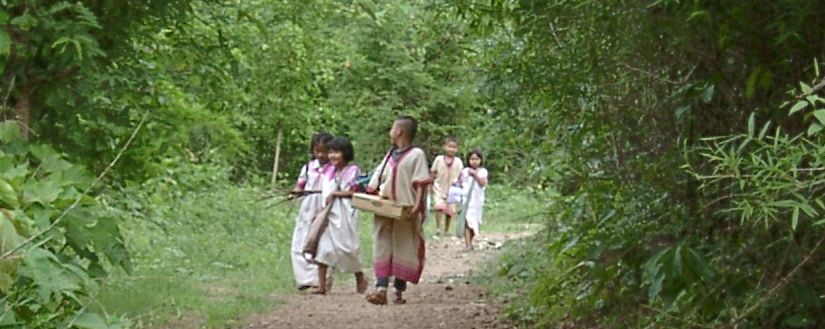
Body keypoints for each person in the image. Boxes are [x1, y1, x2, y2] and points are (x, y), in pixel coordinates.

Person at [365, 116, 432, 305]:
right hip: (385, 207)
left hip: (406, 209)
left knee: (404, 245)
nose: (390, 133)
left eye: (392, 129)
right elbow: (377, 178)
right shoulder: (389, 155)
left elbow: (420, 184)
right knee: (382, 243)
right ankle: (381, 289)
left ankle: (398, 291)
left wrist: (417, 207)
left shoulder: (416, 154)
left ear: (399, 132)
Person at [311, 137, 368, 295]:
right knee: (324, 248)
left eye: (336, 152)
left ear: (345, 153)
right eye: (331, 152)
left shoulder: (353, 170)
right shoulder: (328, 170)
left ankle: (360, 277)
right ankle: (322, 286)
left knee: (347, 248)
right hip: (328, 214)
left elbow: (356, 191)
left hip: (344, 214)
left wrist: (336, 193)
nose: (332, 156)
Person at [290, 132, 333, 290]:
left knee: (322, 242)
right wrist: (295, 192)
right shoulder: (308, 167)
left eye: (325, 151)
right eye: (317, 151)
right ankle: (304, 280)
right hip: (308, 207)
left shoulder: (334, 168)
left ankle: (320, 280)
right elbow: (300, 185)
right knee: (301, 241)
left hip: (325, 207)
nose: (321, 155)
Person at [430, 137, 463, 238]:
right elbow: (433, 172)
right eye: (449, 147)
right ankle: (438, 228)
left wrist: (461, 187)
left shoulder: (458, 161)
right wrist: (430, 185)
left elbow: (461, 176)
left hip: (453, 190)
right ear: (444, 147)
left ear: (457, 149)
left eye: (454, 147)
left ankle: (447, 230)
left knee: (450, 211)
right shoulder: (439, 159)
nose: (451, 149)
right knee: (439, 207)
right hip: (439, 187)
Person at [457, 150, 488, 251]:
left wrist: (475, 175)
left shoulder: (483, 171)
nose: (474, 161)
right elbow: (460, 183)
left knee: (475, 222)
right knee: (467, 221)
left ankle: (470, 240)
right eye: (472, 159)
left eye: (476, 159)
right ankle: (468, 244)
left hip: (477, 201)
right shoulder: (464, 171)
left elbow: (483, 183)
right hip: (467, 201)